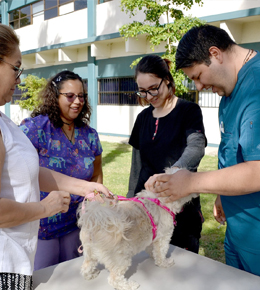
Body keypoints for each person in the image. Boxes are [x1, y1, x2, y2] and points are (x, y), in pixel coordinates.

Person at [0, 23, 110, 290]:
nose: (20, 78)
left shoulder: (4, 122)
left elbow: (28, 170)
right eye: (16, 68)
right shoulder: (35, 127)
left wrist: (87, 187)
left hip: (19, 257)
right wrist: (44, 209)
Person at [145, 24, 260, 276]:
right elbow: (235, 153)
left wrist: (193, 182)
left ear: (215, 54)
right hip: (238, 233)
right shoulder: (229, 92)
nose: (197, 87)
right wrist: (221, 192)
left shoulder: (256, 86)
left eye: (197, 76)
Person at [20, 70, 104, 270]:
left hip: (77, 227)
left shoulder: (90, 135)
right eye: (70, 96)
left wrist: (94, 207)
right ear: (54, 96)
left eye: (81, 96)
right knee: (43, 281)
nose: (77, 101)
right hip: (42, 228)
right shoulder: (35, 129)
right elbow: (19, 172)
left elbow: (96, 174)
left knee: (75, 279)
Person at [127, 54, 207, 253]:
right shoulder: (143, 118)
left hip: (181, 209)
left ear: (168, 80)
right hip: (147, 210)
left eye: (154, 88)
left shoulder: (188, 111)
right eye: (143, 91)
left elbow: (196, 146)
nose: (150, 96)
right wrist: (130, 202)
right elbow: (137, 165)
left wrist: (173, 174)